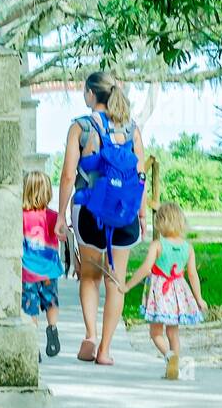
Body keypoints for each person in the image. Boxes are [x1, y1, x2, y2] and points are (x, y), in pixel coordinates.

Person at [55, 71, 146, 365]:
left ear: (92, 95)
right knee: (116, 281)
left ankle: (91, 336)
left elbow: (69, 175)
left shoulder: (80, 127)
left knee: (91, 277)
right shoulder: (132, 129)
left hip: (90, 212)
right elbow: (141, 175)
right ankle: (106, 350)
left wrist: (60, 215)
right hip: (124, 215)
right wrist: (141, 214)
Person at [123, 201, 206, 379]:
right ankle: (174, 366)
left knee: (155, 333)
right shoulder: (187, 248)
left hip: (160, 294)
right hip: (178, 294)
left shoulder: (157, 245)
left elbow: (146, 268)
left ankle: (169, 358)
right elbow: (192, 275)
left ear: (160, 222)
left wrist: (128, 285)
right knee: (173, 333)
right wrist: (199, 298)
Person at [21, 170, 62, 357]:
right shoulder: (53, 216)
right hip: (49, 272)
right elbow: (63, 236)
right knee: (51, 302)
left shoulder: (20, 217)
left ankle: (32, 343)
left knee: (30, 308)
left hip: (28, 272)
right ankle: (52, 328)